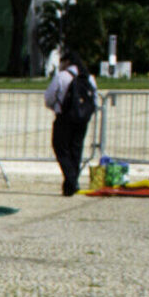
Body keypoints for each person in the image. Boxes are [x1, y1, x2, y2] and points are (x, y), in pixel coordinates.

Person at [44, 49, 100, 196]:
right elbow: (94, 99)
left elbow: (49, 97)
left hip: (65, 116)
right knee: (76, 149)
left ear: (67, 62)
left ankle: (71, 180)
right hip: (82, 118)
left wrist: (55, 107)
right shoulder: (88, 77)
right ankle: (71, 183)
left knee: (60, 147)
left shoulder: (62, 76)